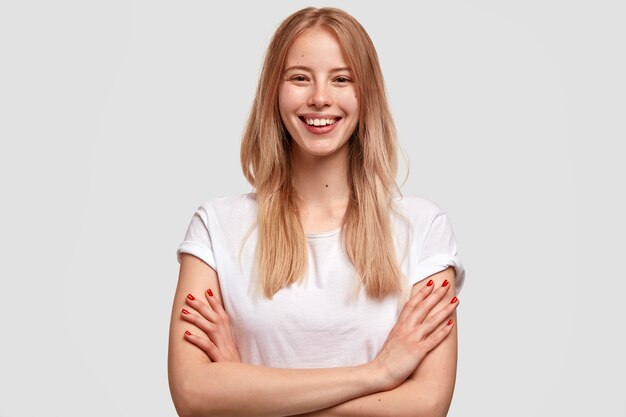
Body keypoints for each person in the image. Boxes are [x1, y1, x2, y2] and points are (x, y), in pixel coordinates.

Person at [168, 6, 465, 417]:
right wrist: (378, 373)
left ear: (368, 95)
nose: (320, 97)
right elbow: (193, 394)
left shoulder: (422, 228)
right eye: (299, 78)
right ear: (275, 90)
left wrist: (245, 389)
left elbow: (425, 405)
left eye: (342, 79)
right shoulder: (216, 227)